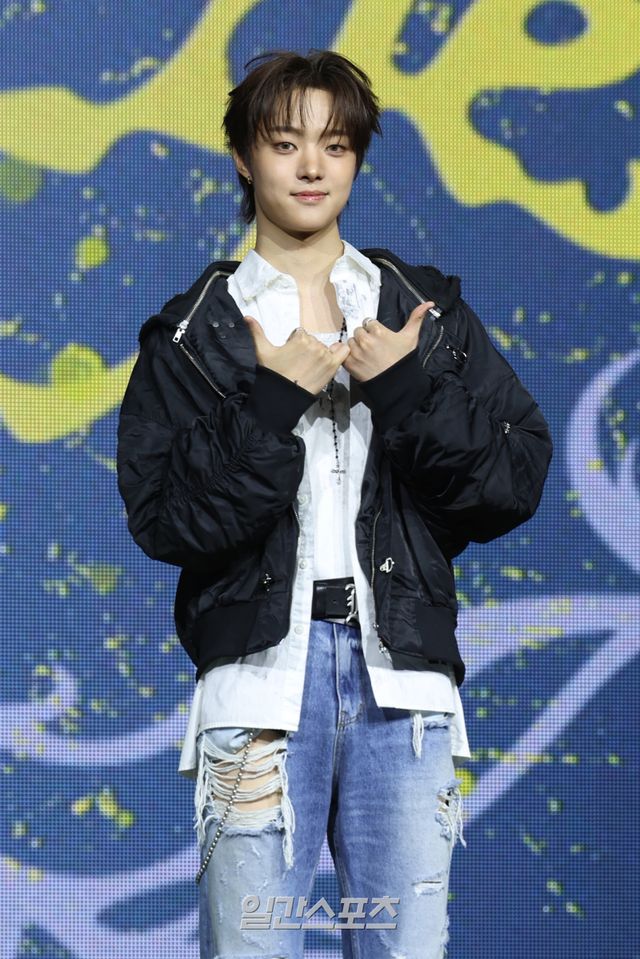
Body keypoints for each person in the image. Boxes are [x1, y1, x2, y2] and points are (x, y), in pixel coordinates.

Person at [116, 49, 552, 959]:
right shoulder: (198, 332)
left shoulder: (419, 312)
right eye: (286, 143)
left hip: (403, 682)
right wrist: (268, 406)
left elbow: (513, 477)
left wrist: (405, 389)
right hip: (259, 689)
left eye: (336, 145)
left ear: (357, 157)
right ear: (243, 156)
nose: (312, 166)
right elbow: (165, 518)